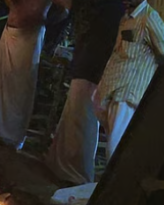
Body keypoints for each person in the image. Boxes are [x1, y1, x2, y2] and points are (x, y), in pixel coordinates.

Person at [45, 0, 126, 185]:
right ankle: (62, 165)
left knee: (81, 116)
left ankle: (76, 172)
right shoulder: (100, 8)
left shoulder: (109, 9)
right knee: (75, 112)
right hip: (87, 60)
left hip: (93, 65)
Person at [95, 0, 164, 159]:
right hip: (113, 89)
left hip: (128, 93)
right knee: (113, 147)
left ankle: (116, 183)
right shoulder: (126, 18)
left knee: (115, 150)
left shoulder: (149, 17)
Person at [0, 0, 52, 148]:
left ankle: (8, 136)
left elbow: (65, 9)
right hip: (16, 30)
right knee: (2, 83)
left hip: (26, 34)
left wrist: (34, 18)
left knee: (17, 88)